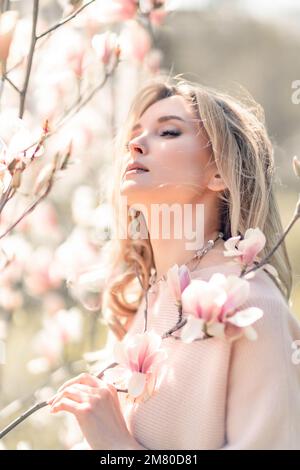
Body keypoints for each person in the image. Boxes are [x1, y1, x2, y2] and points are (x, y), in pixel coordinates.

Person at [47, 74, 300, 450]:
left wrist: (116, 445)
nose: (135, 144)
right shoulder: (148, 300)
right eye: (135, 133)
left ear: (219, 172)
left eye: (167, 133)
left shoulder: (250, 306)